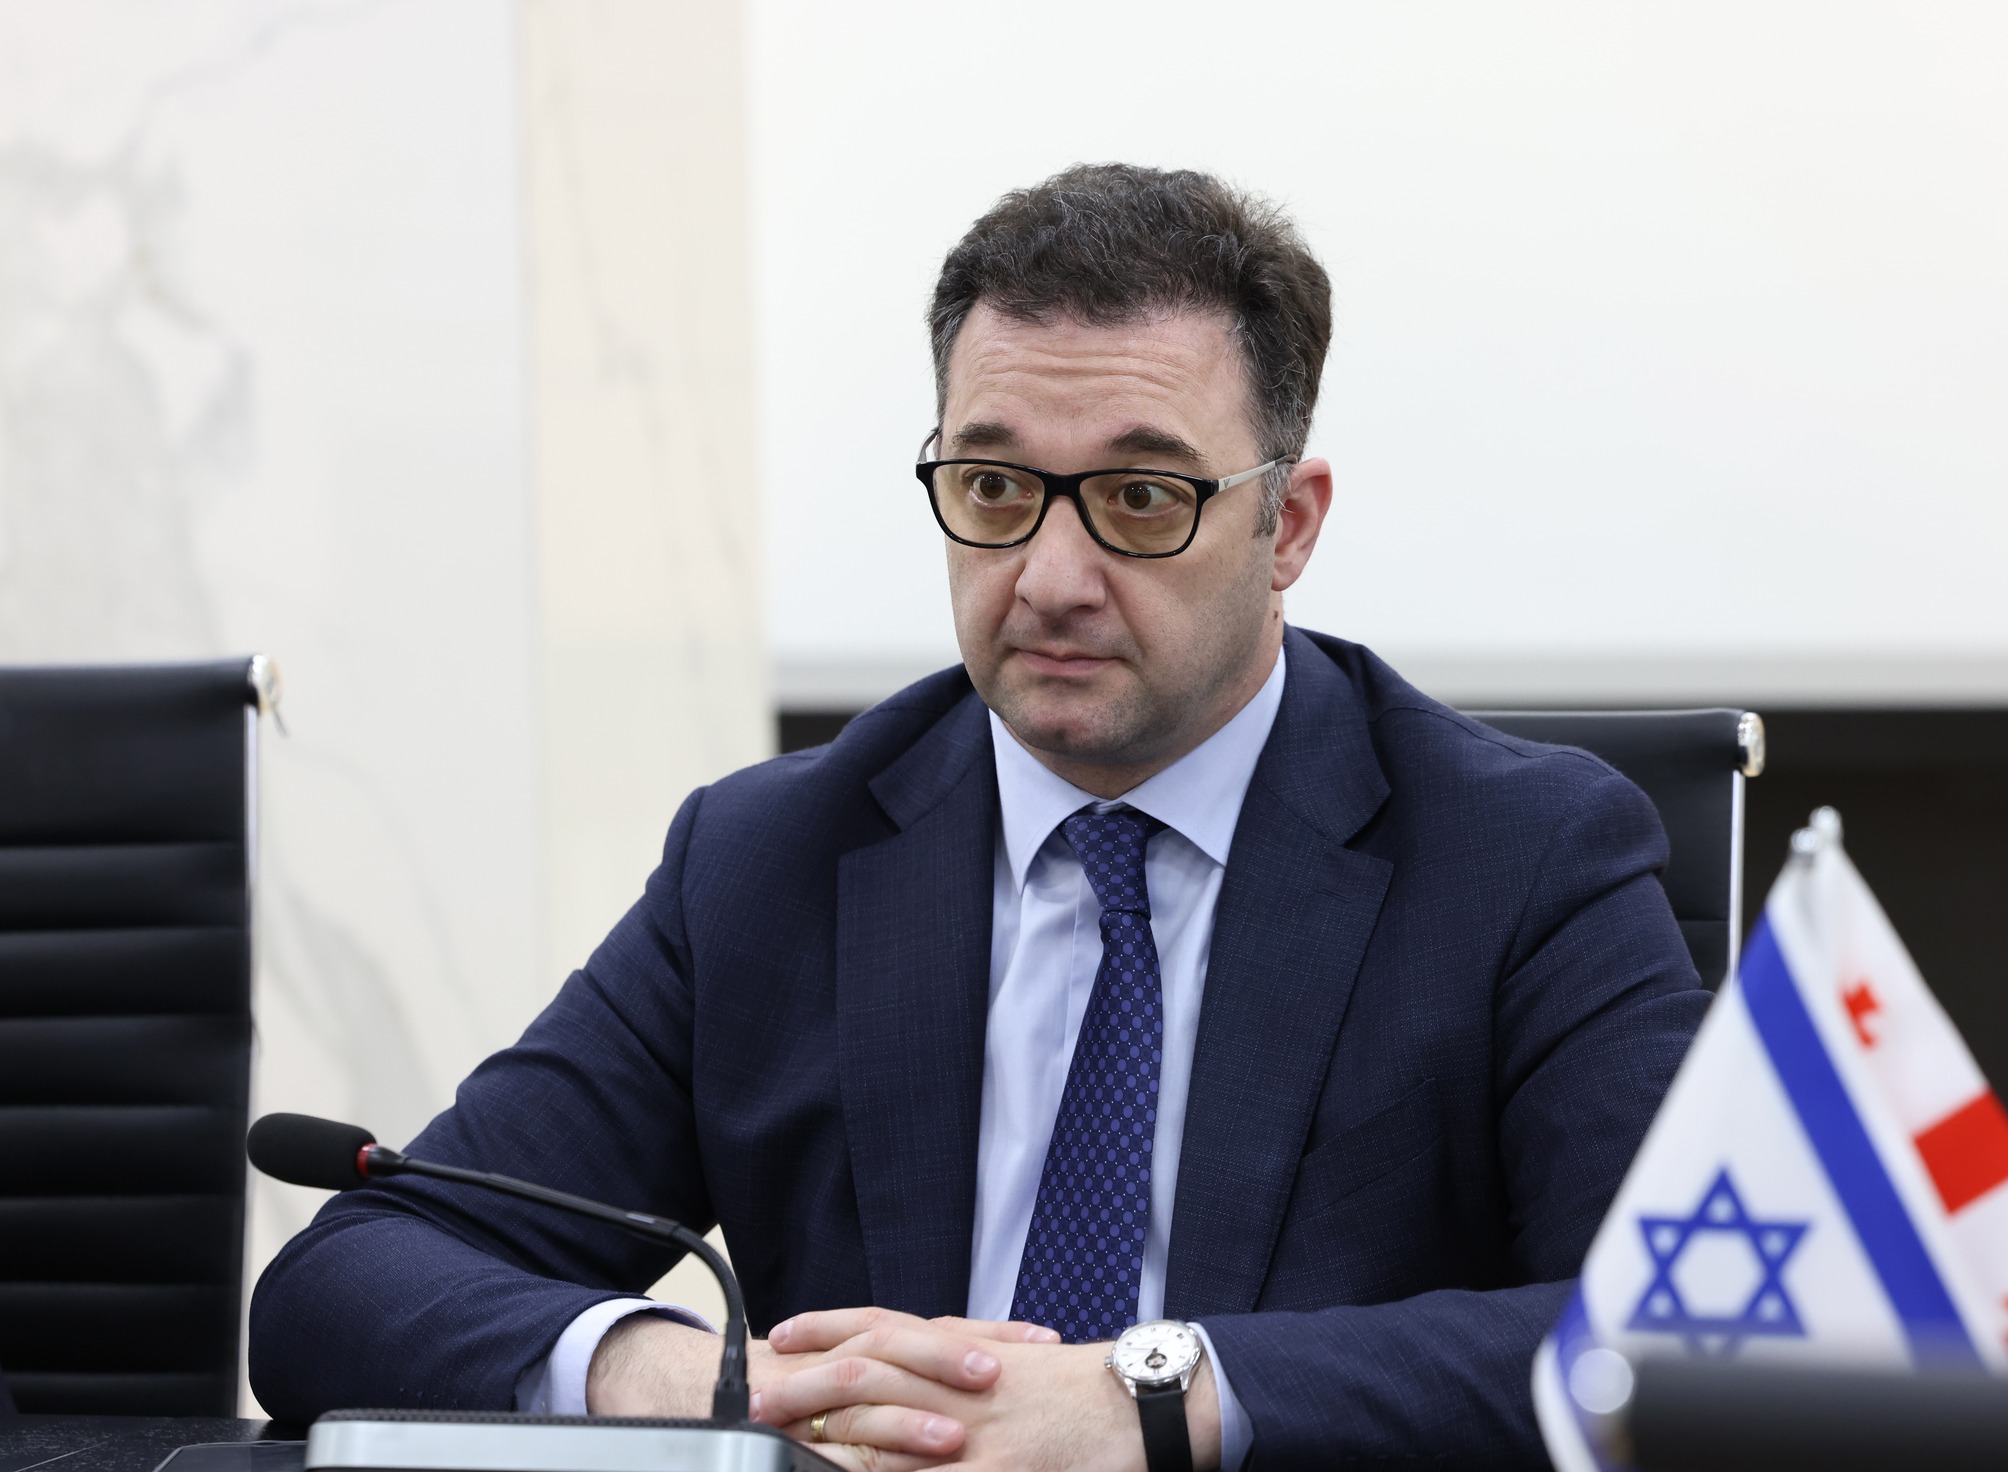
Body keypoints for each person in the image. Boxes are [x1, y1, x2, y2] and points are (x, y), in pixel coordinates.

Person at [250, 164, 1708, 1470]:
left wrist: (1159, 1398)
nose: (1051, 578)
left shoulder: (1522, 858)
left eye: (1141, 497)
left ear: (1289, 525)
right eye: (996, 488)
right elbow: (348, 1281)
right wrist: (682, 1379)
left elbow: (1684, 1341)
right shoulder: (770, 860)